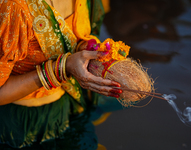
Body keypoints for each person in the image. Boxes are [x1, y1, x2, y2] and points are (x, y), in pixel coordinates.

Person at [0, 0, 122, 149]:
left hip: (66, 106)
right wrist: (62, 69)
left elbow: (85, 32)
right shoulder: (14, 7)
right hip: (20, 124)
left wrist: (89, 48)